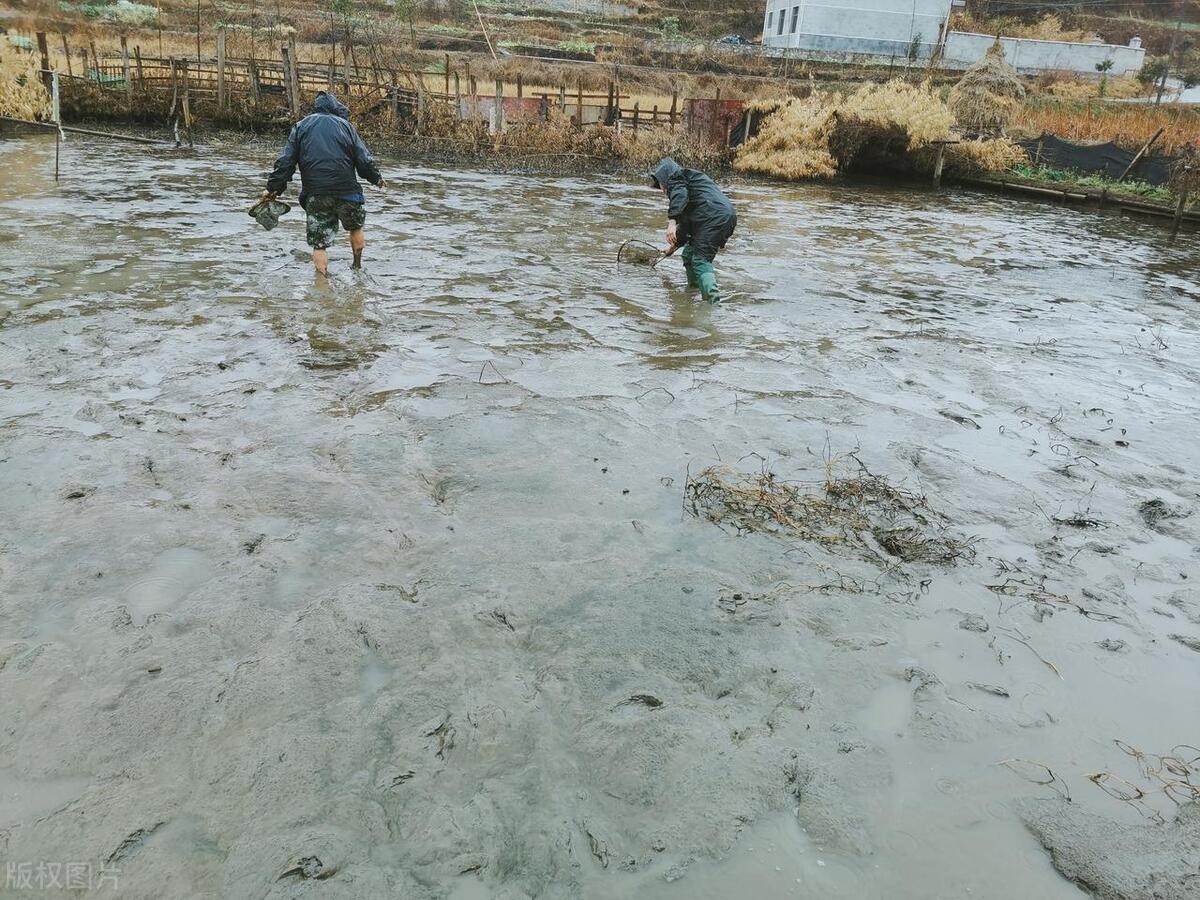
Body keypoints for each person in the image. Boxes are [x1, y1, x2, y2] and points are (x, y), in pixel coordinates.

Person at [263, 92, 385, 276]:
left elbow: (286, 161)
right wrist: (376, 179)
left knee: (319, 245)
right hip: (348, 191)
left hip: (316, 193)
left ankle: (322, 287)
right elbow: (363, 159)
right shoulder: (346, 127)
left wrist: (274, 189)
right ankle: (357, 267)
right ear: (335, 108)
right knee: (356, 227)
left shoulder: (301, 126)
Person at [649, 157, 737, 304]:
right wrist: (674, 246)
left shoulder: (677, 178)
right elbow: (687, 226)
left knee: (700, 259)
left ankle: (712, 303)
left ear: (665, 178)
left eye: (661, 185)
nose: (663, 190)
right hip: (720, 216)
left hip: (713, 217)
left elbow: (680, 197)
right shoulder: (688, 182)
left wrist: (672, 222)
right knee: (689, 253)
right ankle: (694, 289)